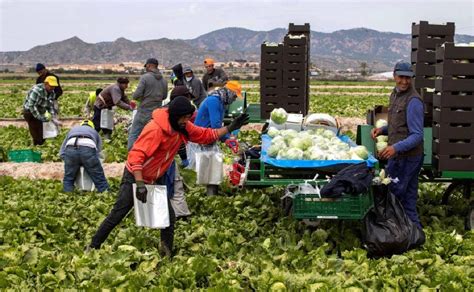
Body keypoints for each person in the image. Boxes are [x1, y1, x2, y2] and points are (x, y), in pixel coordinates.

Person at [87, 96, 249, 257]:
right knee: (118, 213)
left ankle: (166, 254)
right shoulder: (156, 129)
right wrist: (140, 184)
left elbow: (204, 134)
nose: (187, 121)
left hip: (155, 176)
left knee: (168, 218)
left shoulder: (182, 126)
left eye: (188, 118)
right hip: (136, 176)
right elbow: (136, 155)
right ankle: (92, 247)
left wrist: (229, 128)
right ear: (175, 116)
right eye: (184, 117)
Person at [371, 61, 424, 228]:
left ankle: (396, 233)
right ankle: (413, 234)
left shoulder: (413, 101)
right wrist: (383, 130)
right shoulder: (395, 94)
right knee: (407, 198)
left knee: (395, 197)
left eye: (408, 78)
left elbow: (417, 135)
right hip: (400, 156)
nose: (404, 81)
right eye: (401, 77)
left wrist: (395, 148)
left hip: (407, 158)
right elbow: (398, 125)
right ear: (394, 76)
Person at [190, 81, 243, 195]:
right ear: (229, 93)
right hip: (201, 139)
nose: (234, 100)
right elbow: (216, 126)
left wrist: (229, 137)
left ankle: (212, 194)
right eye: (234, 96)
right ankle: (208, 195)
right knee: (205, 172)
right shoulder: (214, 101)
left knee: (212, 170)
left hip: (209, 138)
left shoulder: (221, 102)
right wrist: (228, 138)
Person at [127, 58, 168, 150]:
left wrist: (143, 98)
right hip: (156, 113)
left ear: (149, 65)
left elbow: (136, 95)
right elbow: (164, 96)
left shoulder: (145, 77)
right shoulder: (164, 80)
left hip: (144, 111)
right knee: (152, 135)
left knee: (134, 134)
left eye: (146, 66)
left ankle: (132, 155)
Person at [59, 120, 109, 193]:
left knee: (68, 178)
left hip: (70, 148)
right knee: (99, 177)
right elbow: (98, 152)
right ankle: (105, 193)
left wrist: (69, 161)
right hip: (88, 149)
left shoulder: (72, 130)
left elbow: (62, 152)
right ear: (92, 127)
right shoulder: (94, 132)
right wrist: (90, 163)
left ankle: (67, 196)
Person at [23, 75, 59, 145]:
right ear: (45, 84)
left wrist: (52, 117)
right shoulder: (37, 90)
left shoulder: (52, 93)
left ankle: (40, 145)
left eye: (54, 86)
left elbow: (50, 106)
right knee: (36, 133)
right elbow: (32, 106)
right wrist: (40, 117)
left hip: (41, 110)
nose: (53, 88)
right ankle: (36, 145)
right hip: (30, 112)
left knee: (43, 133)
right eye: (51, 86)